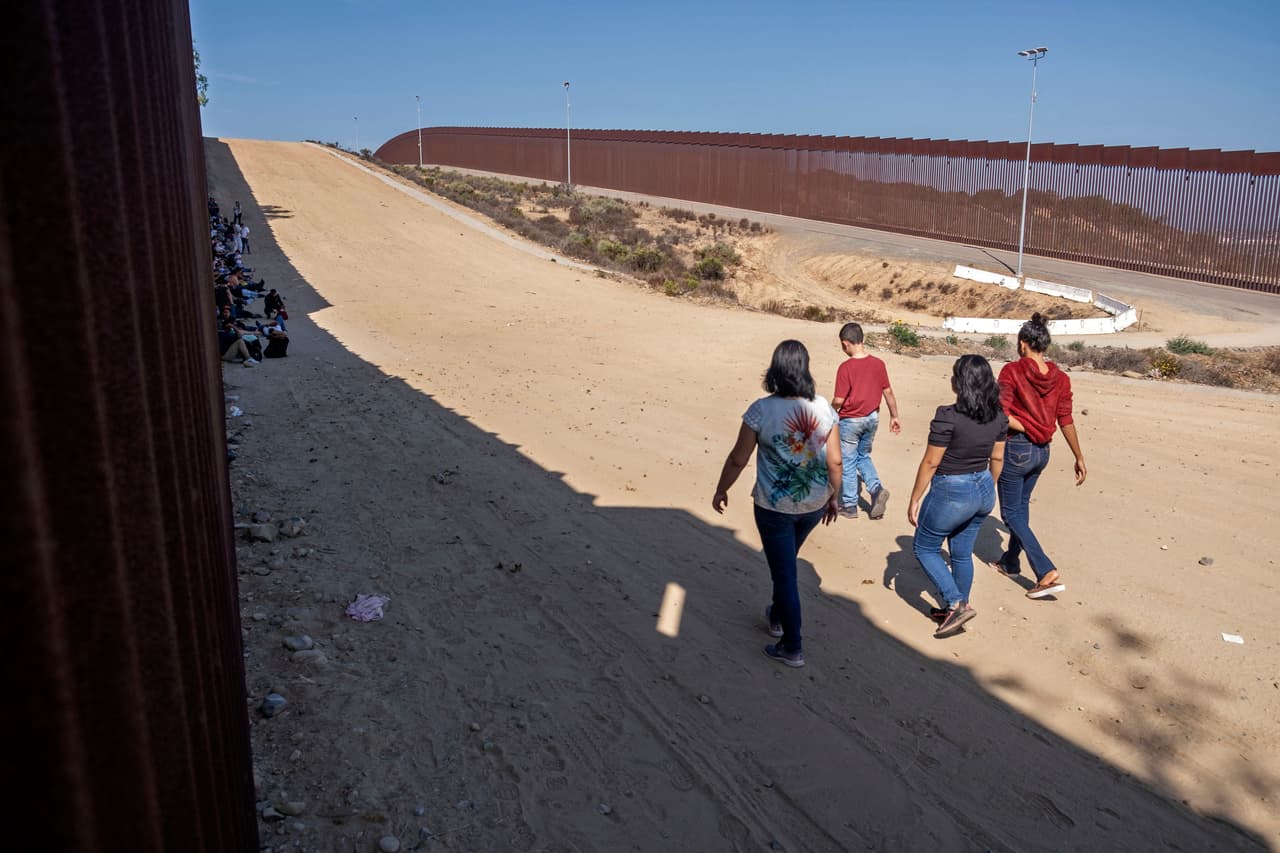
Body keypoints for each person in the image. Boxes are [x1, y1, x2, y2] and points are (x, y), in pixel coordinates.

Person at [713, 340, 842, 668]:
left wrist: (721, 489)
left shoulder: (761, 409)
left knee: (785, 573)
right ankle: (776, 615)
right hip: (813, 504)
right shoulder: (823, 407)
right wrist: (835, 496)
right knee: (785, 564)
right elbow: (836, 462)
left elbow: (738, 458)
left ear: (776, 369)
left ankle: (791, 645)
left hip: (774, 507)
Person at [908, 356, 1007, 637]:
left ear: (959, 383)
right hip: (984, 487)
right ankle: (957, 607)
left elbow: (930, 462)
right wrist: (988, 485)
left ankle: (956, 603)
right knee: (961, 553)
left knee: (925, 547)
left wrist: (915, 497)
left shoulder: (947, 416)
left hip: (952, 490)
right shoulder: (999, 416)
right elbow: (997, 457)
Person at [992, 313, 1087, 599]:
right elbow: (1065, 419)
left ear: (1023, 344)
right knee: (1020, 508)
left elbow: (1001, 414)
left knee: (1010, 513)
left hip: (1017, 449)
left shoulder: (1012, 372)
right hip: (1042, 452)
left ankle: (1044, 571)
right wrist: (1078, 456)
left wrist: (1025, 426)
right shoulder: (1061, 379)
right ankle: (1010, 562)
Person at [831, 322, 901, 519]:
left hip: (851, 421)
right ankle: (876, 489)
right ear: (862, 339)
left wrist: (830, 411)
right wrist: (894, 416)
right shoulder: (878, 364)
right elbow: (888, 392)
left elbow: (839, 400)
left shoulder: (845, 368)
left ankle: (851, 505)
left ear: (846, 344)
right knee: (863, 456)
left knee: (849, 461)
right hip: (872, 418)